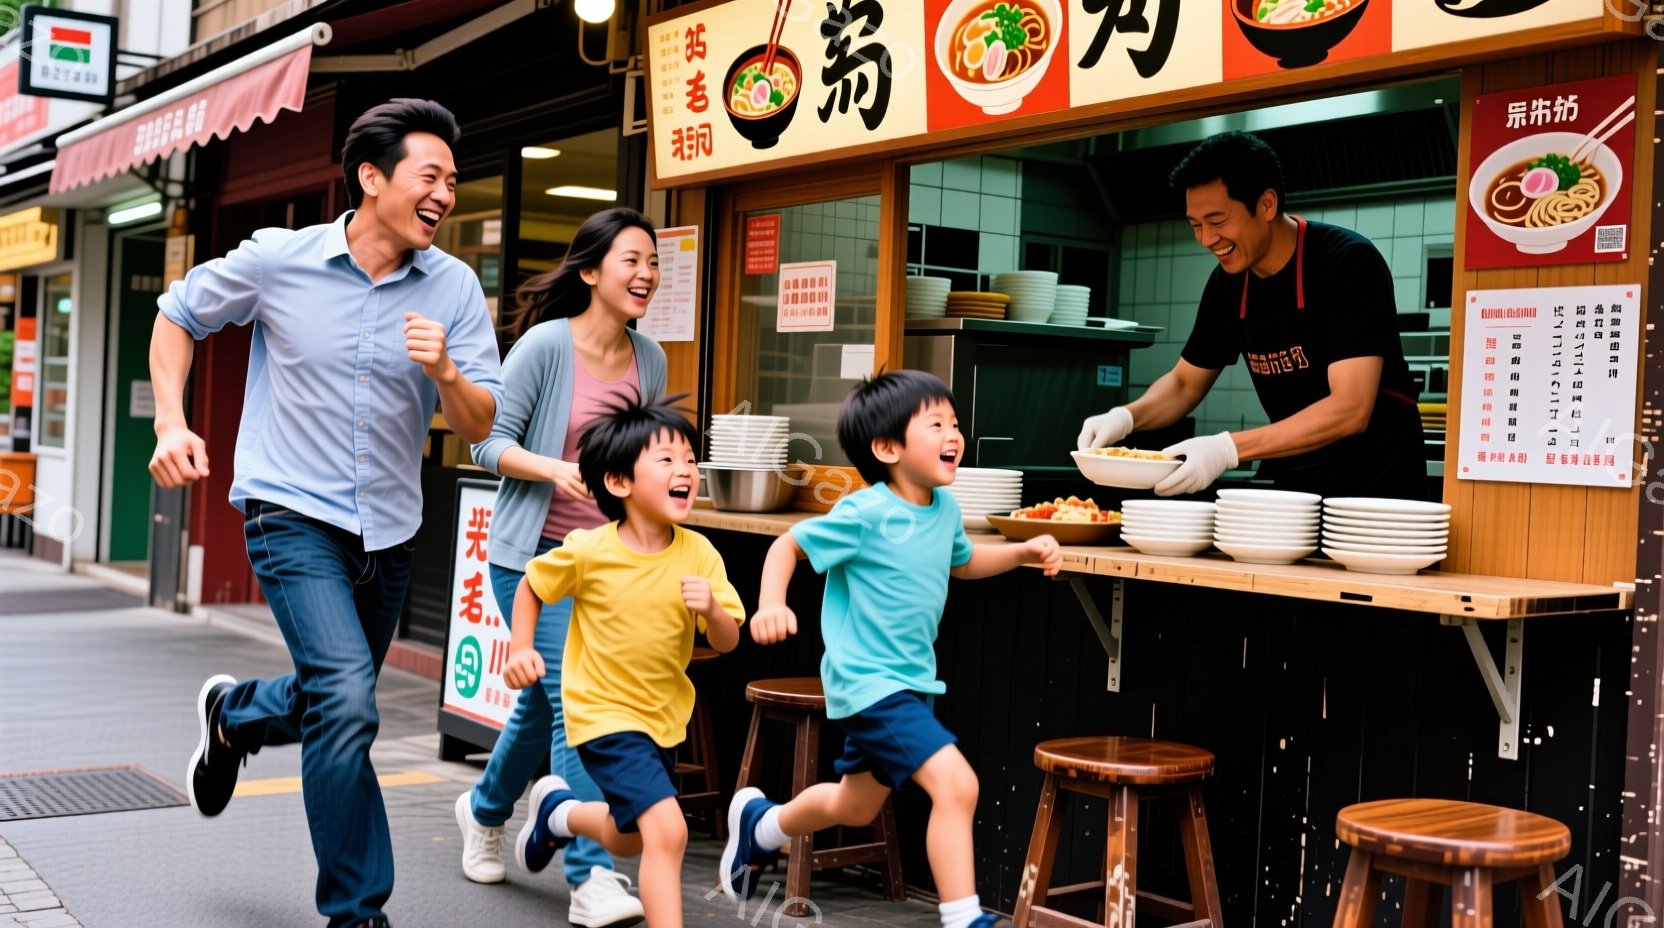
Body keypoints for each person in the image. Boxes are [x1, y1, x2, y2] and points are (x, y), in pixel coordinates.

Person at [150, 99, 503, 928]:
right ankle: (357, 913)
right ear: (372, 178)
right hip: (290, 512)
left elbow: (481, 423)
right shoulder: (281, 259)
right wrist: (171, 421)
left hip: (392, 529)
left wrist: (448, 373)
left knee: (333, 700)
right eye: (430, 176)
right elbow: (177, 314)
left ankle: (235, 715)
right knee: (346, 702)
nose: (445, 195)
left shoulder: (453, 286)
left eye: (453, 182)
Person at [718, 370, 1061, 925]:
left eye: (955, 424)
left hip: (913, 681)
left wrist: (1020, 553)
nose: (954, 435)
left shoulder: (944, 508)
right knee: (957, 785)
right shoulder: (864, 513)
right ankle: (964, 917)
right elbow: (788, 545)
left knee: (854, 805)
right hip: (869, 683)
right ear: (887, 448)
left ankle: (761, 826)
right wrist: (770, 603)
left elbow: (963, 561)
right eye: (936, 425)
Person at [451, 208, 665, 925]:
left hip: (606, 566)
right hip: (534, 559)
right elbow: (486, 443)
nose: (646, 274)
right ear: (592, 271)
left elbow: (643, 457)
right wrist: (556, 469)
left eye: (653, 262)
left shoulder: (650, 359)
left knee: (545, 704)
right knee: (581, 702)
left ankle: (484, 810)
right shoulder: (546, 345)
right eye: (632, 260)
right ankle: (590, 874)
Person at [1077, 130, 1425, 501]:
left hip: (1378, 486)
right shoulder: (1228, 284)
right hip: (1298, 483)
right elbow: (1184, 383)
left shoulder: (1346, 262)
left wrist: (1227, 449)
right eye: (1196, 225)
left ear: (1267, 204)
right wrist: (1124, 418)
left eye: (1217, 221)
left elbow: (1350, 408)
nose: (1206, 239)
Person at [509, 390, 744, 928]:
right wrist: (522, 646)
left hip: (662, 718)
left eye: (690, 460)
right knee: (669, 830)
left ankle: (560, 815)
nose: (685, 470)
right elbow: (532, 586)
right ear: (619, 482)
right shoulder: (590, 550)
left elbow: (729, 641)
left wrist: (712, 610)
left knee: (631, 836)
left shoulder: (700, 554)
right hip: (602, 715)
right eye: (666, 460)